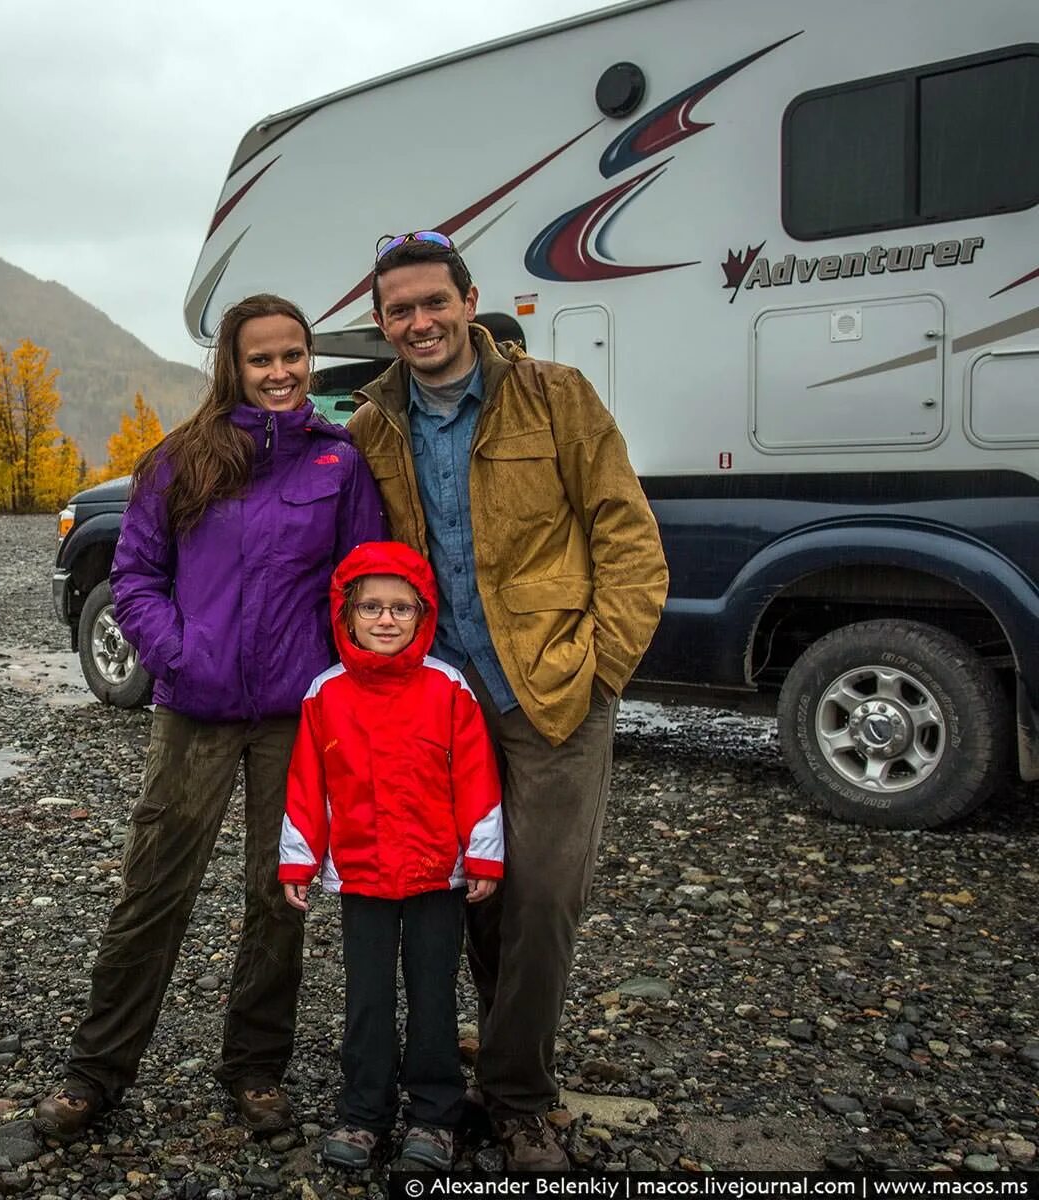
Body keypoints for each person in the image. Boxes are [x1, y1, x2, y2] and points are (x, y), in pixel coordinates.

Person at [346, 231, 669, 1170]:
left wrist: (602, 666)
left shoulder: (554, 396)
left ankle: (522, 1095)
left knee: (542, 894)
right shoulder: (373, 428)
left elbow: (629, 541)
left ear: (469, 300)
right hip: (438, 705)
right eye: (400, 309)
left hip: (554, 690)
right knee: (472, 893)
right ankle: (496, 1054)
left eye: (434, 302)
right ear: (381, 322)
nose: (420, 322)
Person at [32, 293, 386, 1140]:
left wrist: (342, 679)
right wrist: (178, 655)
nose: (280, 372)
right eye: (262, 358)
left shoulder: (338, 465)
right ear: (232, 362)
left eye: (293, 356)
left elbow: (364, 579)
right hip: (194, 709)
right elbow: (137, 576)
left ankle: (256, 1070)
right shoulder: (179, 461)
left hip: (295, 720)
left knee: (280, 896)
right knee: (154, 887)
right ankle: (96, 1072)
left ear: (309, 360)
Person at [278, 539, 503, 1172]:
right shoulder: (325, 694)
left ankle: (435, 1116)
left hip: (437, 875)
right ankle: (364, 1113)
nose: (386, 620)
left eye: (401, 609)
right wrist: (298, 862)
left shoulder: (448, 686)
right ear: (345, 614)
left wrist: (483, 858)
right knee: (368, 1000)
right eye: (372, 607)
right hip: (363, 878)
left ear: (423, 614)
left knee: (433, 997)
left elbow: (477, 780)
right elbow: (307, 788)